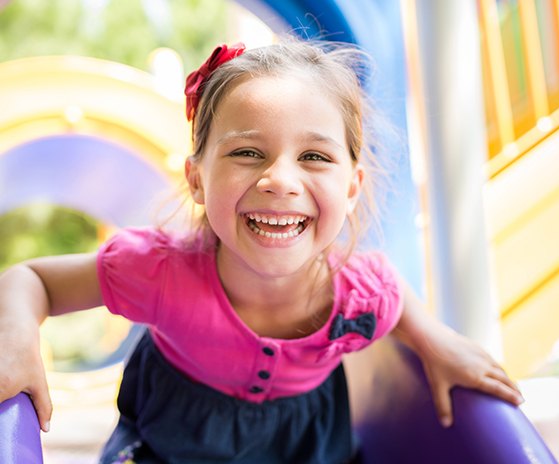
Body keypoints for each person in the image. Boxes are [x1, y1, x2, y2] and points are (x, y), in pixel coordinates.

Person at [0, 38, 523, 463]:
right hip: (169, 448)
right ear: (197, 179)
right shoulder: (159, 271)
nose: (279, 180)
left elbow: (391, 289)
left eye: (314, 156)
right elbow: (33, 279)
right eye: (248, 152)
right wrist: (16, 341)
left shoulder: (359, 297)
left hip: (308, 450)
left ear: (352, 186)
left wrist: (436, 341)